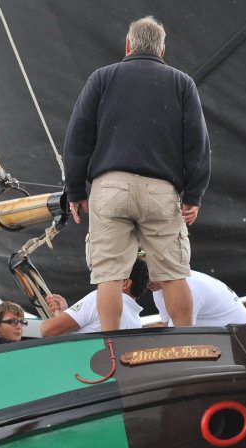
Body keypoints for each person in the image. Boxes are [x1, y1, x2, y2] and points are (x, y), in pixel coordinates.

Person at [63, 15, 211, 333]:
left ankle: (111, 349)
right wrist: (193, 195)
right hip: (161, 190)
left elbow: (77, 139)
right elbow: (197, 144)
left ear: (128, 45)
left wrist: (75, 191)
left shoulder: (101, 78)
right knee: (173, 273)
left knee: (110, 276)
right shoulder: (182, 83)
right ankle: (187, 344)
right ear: (162, 50)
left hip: (109, 187)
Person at [42, 258, 149, 336]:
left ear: (125, 284)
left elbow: (47, 330)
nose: (103, 278)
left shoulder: (99, 298)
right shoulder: (136, 322)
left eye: (110, 274)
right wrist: (65, 313)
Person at [152, 270, 246, 326]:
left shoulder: (190, 289)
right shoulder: (156, 286)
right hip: (219, 337)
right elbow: (167, 327)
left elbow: (178, 339)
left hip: (239, 339)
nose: (145, 282)